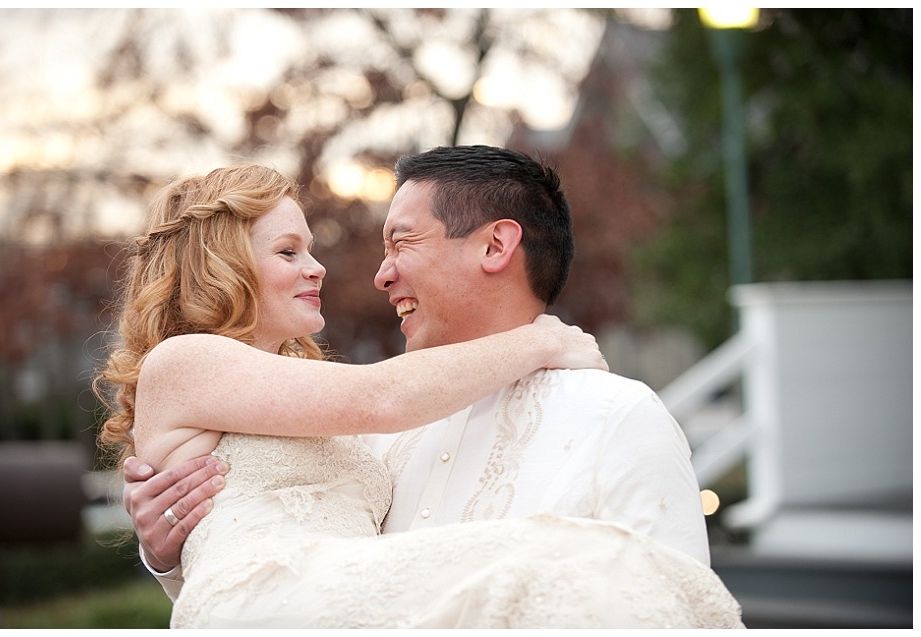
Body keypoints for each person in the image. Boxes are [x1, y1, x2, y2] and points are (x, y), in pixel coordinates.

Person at [114, 151, 745, 628]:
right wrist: (168, 552)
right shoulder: (374, 424)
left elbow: (670, 594)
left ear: (497, 244)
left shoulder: (616, 414)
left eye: (402, 242)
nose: (370, 273)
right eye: (288, 251)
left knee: (601, 565)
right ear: (222, 265)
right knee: (559, 556)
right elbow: (373, 407)